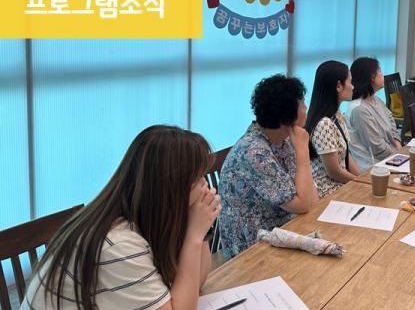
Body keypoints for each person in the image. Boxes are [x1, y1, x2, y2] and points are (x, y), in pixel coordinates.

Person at [21, 125, 219, 310]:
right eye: (197, 179)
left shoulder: (147, 219)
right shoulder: (118, 244)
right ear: (169, 190)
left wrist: (199, 232)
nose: (205, 186)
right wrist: (194, 236)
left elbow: (196, 284)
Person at [219, 75, 319, 258]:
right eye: (302, 104)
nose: (306, 109)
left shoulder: (284, 139)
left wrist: (301, 150)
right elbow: (303, 204)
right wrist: (303, 150)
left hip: (284, 227)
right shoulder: (253, 151)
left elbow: (311, 199)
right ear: (286, 116)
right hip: (253, 246)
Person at [305, 61, 361, 198]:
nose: (353, 87)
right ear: (338, 86)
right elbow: (334, 172)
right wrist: (360, 183)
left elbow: (346, 155)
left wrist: (362, 180)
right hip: (328, 191)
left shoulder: (337, 115)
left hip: (341, 185)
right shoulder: (324, 124)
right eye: (350, 82)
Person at [345, 57, 402, 172]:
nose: (382, 74)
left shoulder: (375, 99)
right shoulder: (359, 109)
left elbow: (391, 122)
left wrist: (398, 146)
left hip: (391, 159)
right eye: (379, 70)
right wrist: (398, 155)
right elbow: (377, 147)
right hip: (373, 168)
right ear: (372, 77)